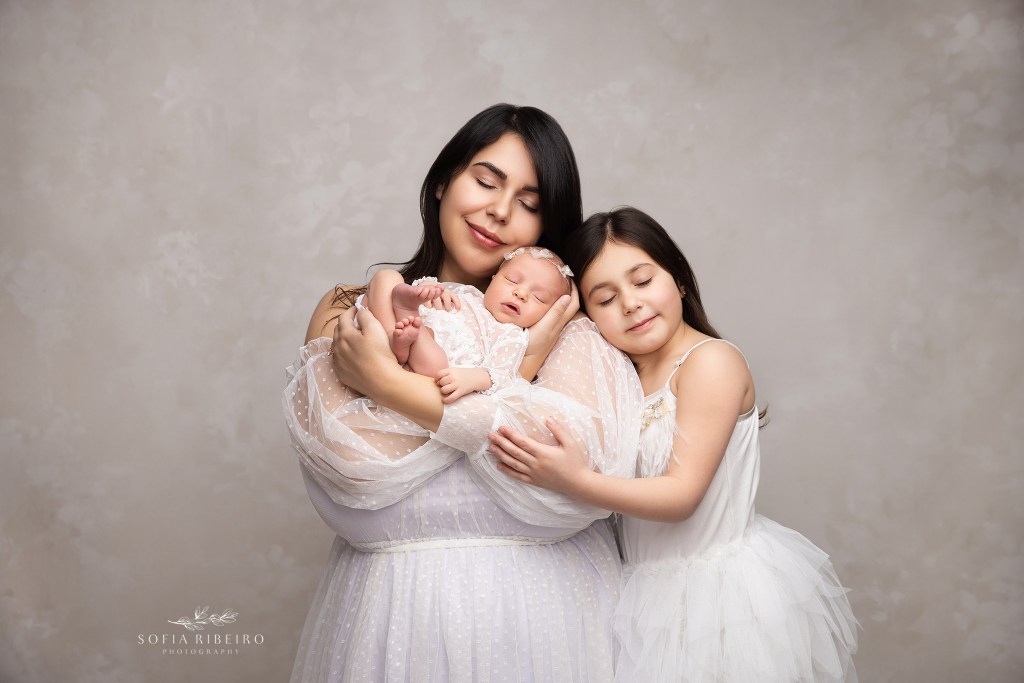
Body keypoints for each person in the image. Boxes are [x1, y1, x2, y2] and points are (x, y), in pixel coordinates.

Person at [283, 105, 643, 682]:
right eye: (486, 180)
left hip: (554, 628)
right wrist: (511, 406)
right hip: (392, 623)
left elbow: (582, 485)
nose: (500, 212)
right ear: (442, 182)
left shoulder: (571, 327)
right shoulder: (352, 307)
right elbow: (350, 473)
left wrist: (388, 387)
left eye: (530, 203)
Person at [488, 207, 859, 682]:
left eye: (643, 281)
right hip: (637, 592)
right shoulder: (617, 379)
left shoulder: (710, 362)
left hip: (715, 597)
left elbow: (682, 496)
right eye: (605, 298)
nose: (631, 304)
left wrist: (575, 480)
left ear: (679, 279)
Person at [360, 246, 574, 403]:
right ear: (494, 278)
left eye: (538, 297)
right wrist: (429, 290)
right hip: (399, 333)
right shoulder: (469, 294)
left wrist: (472, 379)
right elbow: (434, 296)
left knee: (436, 364)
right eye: (512, 281)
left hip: (431, 364)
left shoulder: (512, 335)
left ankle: (408, 330)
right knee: (386, 277)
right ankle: (393, 340)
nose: (521, 293)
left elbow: (500, 375)